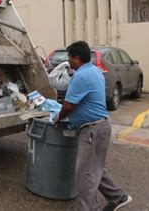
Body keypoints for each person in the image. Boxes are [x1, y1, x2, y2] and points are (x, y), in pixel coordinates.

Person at [55, 41, 132, 211]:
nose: (68, 60)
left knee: (85, 174)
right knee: (94, 168)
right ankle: (118, 197)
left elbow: (68, 106)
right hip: (102, 126)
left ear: (76, 58)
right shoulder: (95, 71)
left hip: (92, 130)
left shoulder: (80, 76)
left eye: (69, 57)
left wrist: (57, 118)